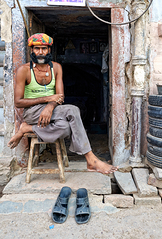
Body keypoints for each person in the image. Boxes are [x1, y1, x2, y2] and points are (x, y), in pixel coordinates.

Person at [8, 33, 118, 174]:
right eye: (37, 48)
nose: (40, 52)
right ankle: (91, 160)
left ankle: (27, 128)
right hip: (32, 112)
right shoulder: (24, 70)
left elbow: (60, 96)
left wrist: (50, 105)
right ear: (32, 51)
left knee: (65, 128)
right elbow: (18, 102)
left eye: (44, 48)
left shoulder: (56, 68)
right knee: (72, 110)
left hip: (52, 109)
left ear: (49, 50)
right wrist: (46, 99)